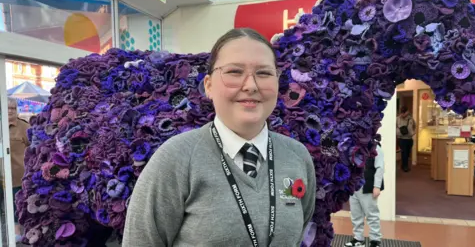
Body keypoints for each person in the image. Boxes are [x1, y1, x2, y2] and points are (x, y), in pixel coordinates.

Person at [123, 28, 316, 246]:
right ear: (208, 85)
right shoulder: (176, 159)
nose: (251, 86)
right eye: (234, 72)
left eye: (263, 73)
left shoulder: (296, 157)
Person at [345, 145, 385, 247]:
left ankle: (375, 240)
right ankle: (358, 238)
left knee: (372, 214)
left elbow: (380, 167)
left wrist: (377, 186)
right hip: (354, 185)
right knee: (356, 214)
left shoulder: (376, 148)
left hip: (368, 186)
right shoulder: (353, 145)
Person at [7, 97, 30, 242]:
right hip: (2, 176)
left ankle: (16, 233)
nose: (10, 111)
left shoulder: (24, 127)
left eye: (13, 108)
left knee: (17, 207)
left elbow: (33, 148)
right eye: (7, 108)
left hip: (17, 176)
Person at [396, 106, 416, 172]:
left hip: (409, 138)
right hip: (401, 138)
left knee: (407, 153)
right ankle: (405, 167)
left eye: (405, 112)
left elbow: (414, 126)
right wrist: (398, 133)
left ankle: (403, 165)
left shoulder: (411, 119)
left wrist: (413, 133)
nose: (403, 114)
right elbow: (394, 127)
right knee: (404, 153)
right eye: (402, 112)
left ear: (407, 112)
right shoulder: (397, 119)